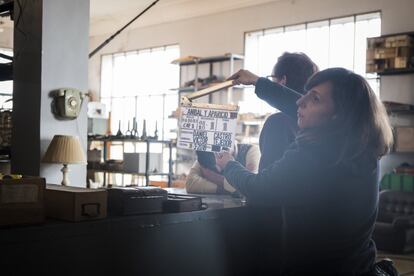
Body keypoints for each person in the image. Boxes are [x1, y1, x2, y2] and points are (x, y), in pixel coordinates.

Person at [216, 68, 393, 275]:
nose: (301, 102)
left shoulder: (314, 155)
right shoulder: (363, 147)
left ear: (338, 115)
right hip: (359, 267)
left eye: (314, 99)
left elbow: (259, 188)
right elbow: (301, 105)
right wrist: (258, 83)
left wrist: (229, 164)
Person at [259, 52, 318, 171]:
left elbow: (266, 183)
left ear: (282, 81)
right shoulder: (319, 121)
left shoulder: (277, 122)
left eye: (272, 79)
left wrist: (229, 164)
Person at [185, 142, 260, 194]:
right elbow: (190, 183)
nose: (219, 170)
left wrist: (213, 177)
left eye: (221, 162)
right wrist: (230, 190)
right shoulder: (206, 155)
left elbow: (248, 187)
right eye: (213, 168)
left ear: (227, 151)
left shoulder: (252, 151)